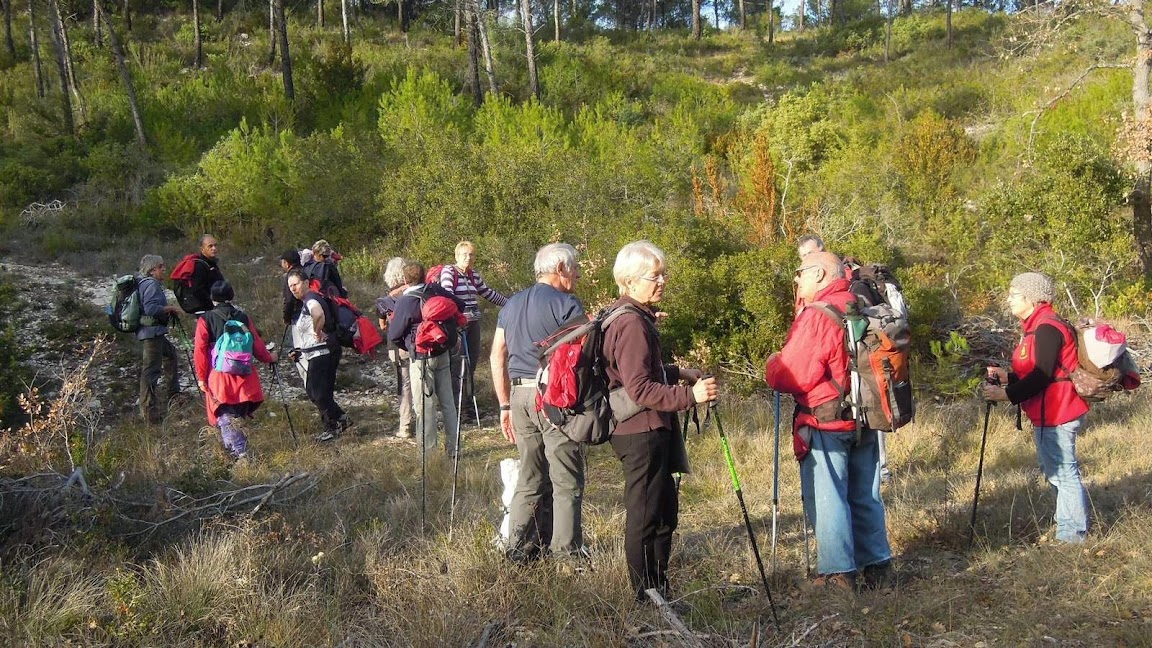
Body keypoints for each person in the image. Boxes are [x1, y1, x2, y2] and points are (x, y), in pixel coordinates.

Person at [765, 251, 893, 591]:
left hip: (826, 421)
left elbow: (792, 375)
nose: (796, 279)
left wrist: (772, 363)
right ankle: (878, 568)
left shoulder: (819, 314)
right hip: (865, 416)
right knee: (866, 494)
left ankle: (838, 576)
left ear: (820, 274)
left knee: (829, 497)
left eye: (800, 273)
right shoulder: (860, 301)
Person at [602, 240, 717, 603]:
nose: (662, 281)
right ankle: (645, 595)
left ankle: (659, 586)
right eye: (655, 275)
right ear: (630, 280)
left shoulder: (628, 315)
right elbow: (638, 388)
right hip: (640, 432)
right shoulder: (632, 324)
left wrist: (678, 371)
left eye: (663, 273)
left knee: (664, 509)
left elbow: (637, 372)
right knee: (645, 515)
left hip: (647, 428)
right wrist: (690, 397)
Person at [490, 243, 587, 564]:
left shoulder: (511, 304)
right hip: (552, 397)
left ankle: (517, 549)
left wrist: (504, 405)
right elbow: (584, 354)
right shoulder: (566, 304)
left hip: (518, 396)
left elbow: (497, 355)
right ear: (560, 268)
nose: (577, 274)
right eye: (574, 268)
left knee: (530, 477)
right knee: (566, 480)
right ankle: (567, 558)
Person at [983, 272, 1090, 544]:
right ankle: (1067, 528)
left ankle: (1072, 536)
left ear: (1031, 298)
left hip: (1058, 411)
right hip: (1050, 411)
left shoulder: (1046, 327)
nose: (1009, 299)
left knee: (1064, 473)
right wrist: (1009, 377)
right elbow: (1041, 370)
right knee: (1057, 472)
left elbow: (1043, 374)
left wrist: (1006, 394)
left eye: (1014, 294)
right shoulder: (1037, 325)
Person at [388, 262, 466, 456]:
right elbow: (460, 304)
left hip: (421, 358)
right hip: (443, 352)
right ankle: (454, 448)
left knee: (424, 406)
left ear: (405, 280)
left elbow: (394, 333)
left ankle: (428, 454)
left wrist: (409, 346)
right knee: (448, 402)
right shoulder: (436, 289)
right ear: (424, 277)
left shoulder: (405, 301)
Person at [193, 281, 277, 460]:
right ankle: (241, 456)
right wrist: (270, 358)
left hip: (220, 378)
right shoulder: (243, 317)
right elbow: (257, 346)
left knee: (227, 419)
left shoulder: (205, 319)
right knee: (237, 417)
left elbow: (200, 350)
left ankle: (241, 458)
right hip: (245, 377)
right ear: (231, 297)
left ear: (213, 299)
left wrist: (201, 378)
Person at [438, 241, 508, 402]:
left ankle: (468, 402)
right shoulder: (449, 272)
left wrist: (511, 303)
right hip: (457, 325)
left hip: (473, 324)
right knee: (458, 364)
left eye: (471, 254)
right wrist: (459, 316)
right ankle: (456, 405)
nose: (468, 258)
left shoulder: (473, 275)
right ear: (456, 256)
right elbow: (447, 295)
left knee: (471, 363)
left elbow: (487, 293)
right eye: (464, 255)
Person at [286, 269, 351, 442]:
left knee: (318, 393)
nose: (293, 288)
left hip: (322, 353)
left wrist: (317, 331)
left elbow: (318, 314)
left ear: (306, 283)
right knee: (319, 392)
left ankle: (333, 425)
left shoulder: (311, 299)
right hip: (318, 352)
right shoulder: (308, 300)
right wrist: (299, 351)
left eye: (296, 284)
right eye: (290, 286)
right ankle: (340, 420)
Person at [137, 255, 185, 424]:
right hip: (152, 334)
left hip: (151, 332)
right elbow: (150, 308)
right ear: (152, 270)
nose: (164, 269)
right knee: (151, 371)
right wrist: (170, 308)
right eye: (160, 266)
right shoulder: (151, 284)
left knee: (171, 354)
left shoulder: (142, 283)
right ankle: (149, 413)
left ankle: (173, 395)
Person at [376, 257, 414, 439]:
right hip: (417, 343)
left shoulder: (386, 300)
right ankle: (422, 420)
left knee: (404, 384)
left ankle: (405, 425)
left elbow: (383, 326)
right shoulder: (413, 292)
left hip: (397, 346)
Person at [182, 234, 226, 315]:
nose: (214, 248)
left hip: (213, 309)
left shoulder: (211, 263)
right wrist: (212, 303)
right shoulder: (199, 266)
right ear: (202, 248)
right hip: (206, 311)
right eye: (210, 246)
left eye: (215, 245)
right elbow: (197, 289)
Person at [280, 249, 303, 326]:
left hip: (298, 315)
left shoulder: (291, 276)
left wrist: (287, 318)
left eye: (283, 262)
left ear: (287, 264)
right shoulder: (306, 270)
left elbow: (289, 300)